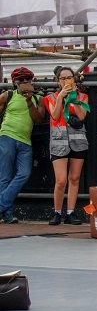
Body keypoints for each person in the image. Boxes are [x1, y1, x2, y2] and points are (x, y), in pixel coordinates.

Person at [0, 67, 45, 223]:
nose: (25, 83)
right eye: (22, 80)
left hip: (25, 141)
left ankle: (1, 206)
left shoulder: (38, 99)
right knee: (4, 177)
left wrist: (28, 101)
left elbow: (39, 119)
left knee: (24, 174)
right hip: (7, 136)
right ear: (15, 83)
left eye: (28, 80)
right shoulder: (8, 95)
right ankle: (7, 213)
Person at [45, 67, 89, 226]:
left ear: (74, 80)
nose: (66, 81)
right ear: (58, 81)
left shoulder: (82, 96)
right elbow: (55, 116)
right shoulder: (50, 97)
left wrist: (73, 98)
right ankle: (56, 211)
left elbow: (82, 115)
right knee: (61, 180)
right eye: (63, 78)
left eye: (69, 78)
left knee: (74, 178)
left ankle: (70, 212)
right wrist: (60, 99)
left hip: (78, 141)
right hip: (59, 140)